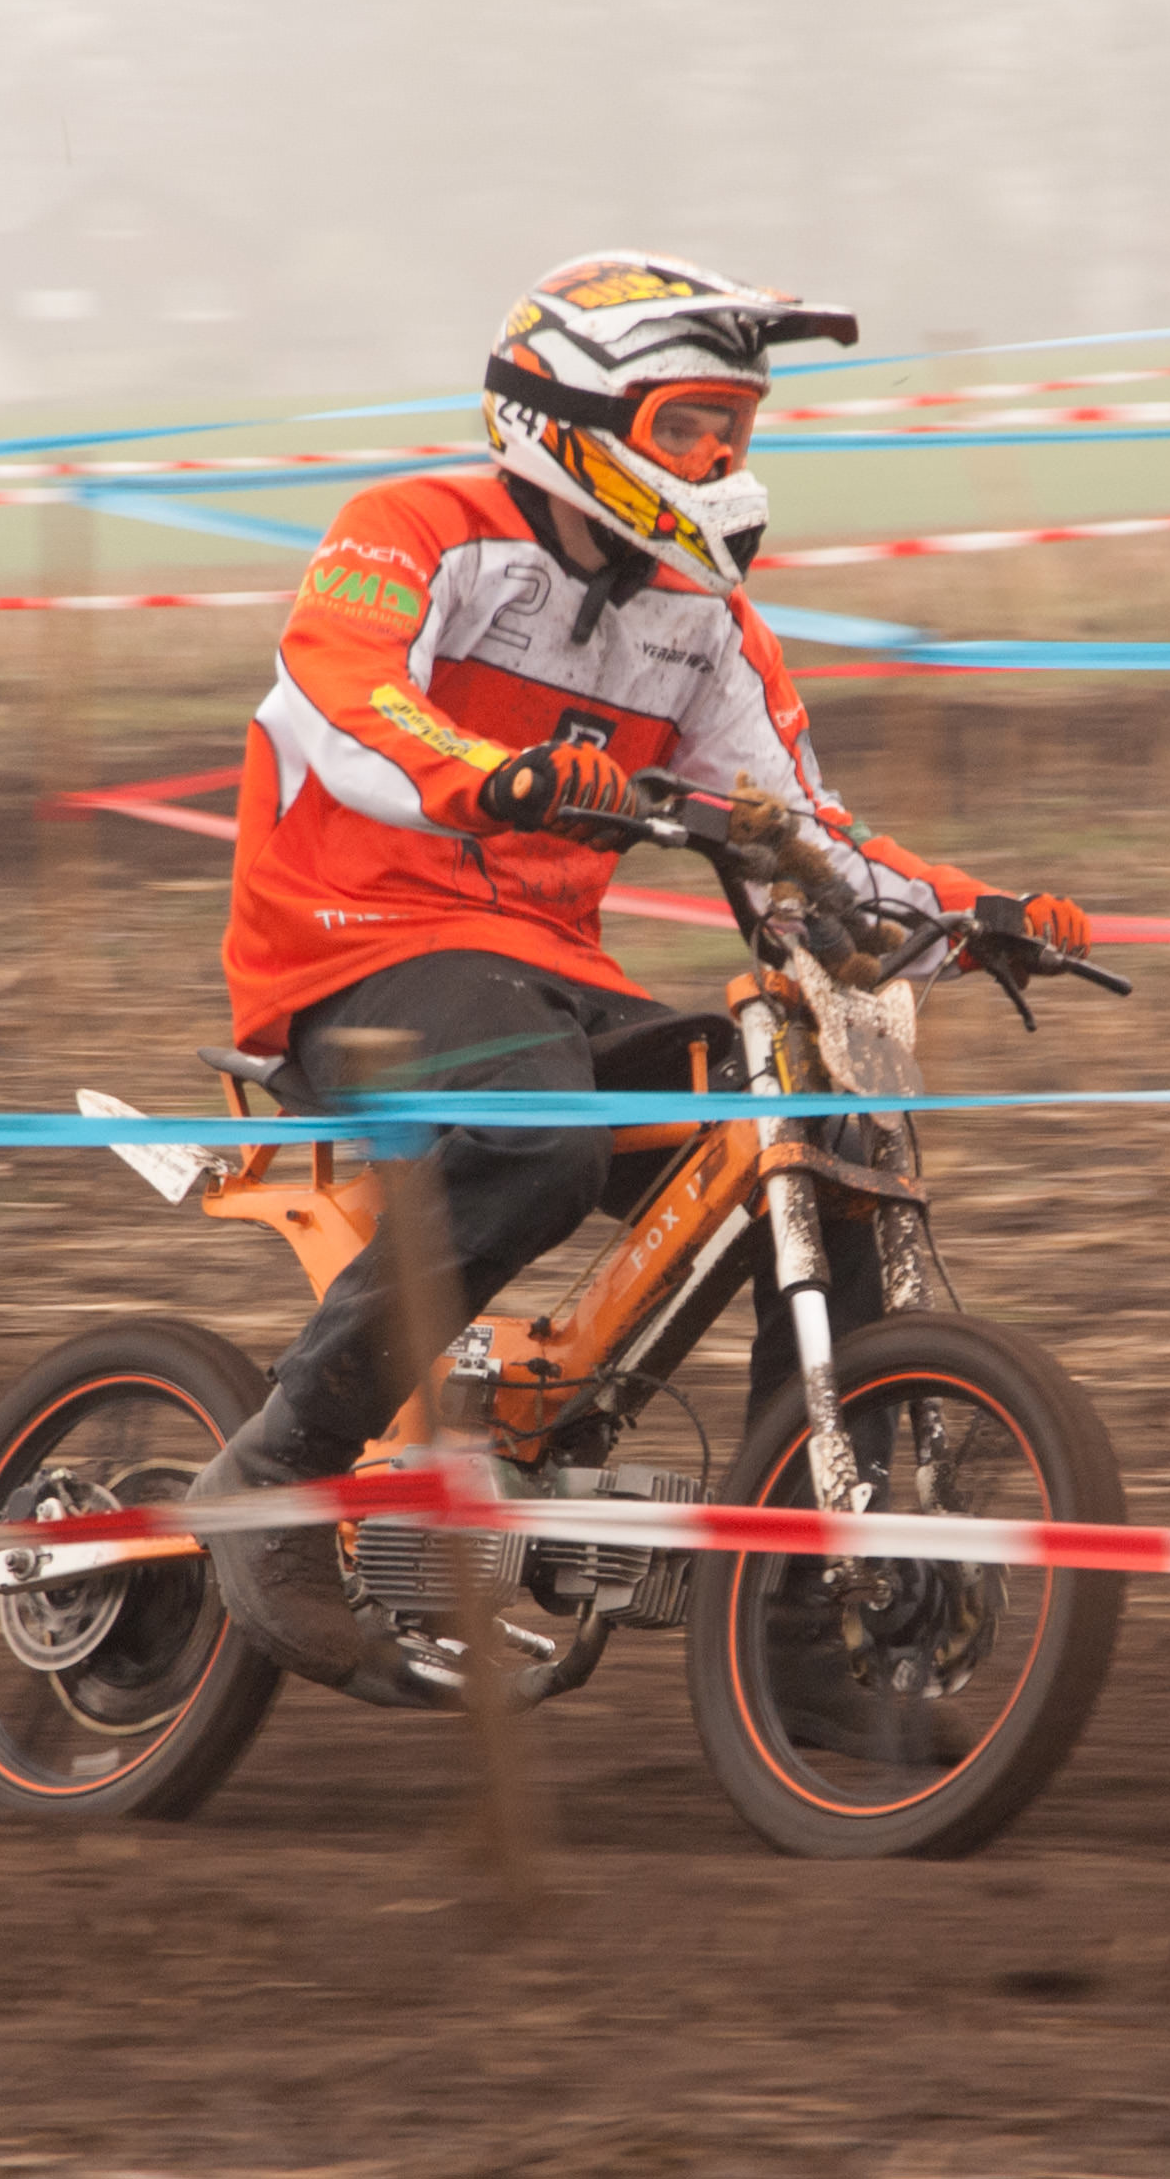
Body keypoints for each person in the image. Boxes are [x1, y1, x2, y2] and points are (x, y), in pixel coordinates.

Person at [192, 251, 1096, 1691]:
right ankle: (276, 1470)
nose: (722, 459)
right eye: (688, 426)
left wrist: (974, 912)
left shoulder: (704, 618)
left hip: (544, 971)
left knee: (813, 1135)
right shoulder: (414, 529)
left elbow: (801, 835)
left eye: (736, 427)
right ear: (567, 417)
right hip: (355, 949)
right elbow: (338, 697)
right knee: (542, 1133)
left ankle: (798, 1591)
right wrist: (494, 775)